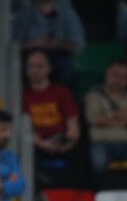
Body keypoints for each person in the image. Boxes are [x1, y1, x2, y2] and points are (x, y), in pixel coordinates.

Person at [14, 0, 85, 86]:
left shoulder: (66, 9)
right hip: (29, 60)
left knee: (68, 67)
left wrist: (55, 43)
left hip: (59, 60)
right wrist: (35, 43)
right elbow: (13, 46)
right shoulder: (24, 10)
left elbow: (78, 45)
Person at [22, 50, 82, 189]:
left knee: (80, 156)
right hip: (36, 143)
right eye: (31, 66)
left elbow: (73, 124)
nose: (35, 70)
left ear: (49, 68)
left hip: (61, 140)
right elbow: (25, 128)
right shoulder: (23, 95)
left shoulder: (62, 92)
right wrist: (42, 144)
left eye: (40, 66)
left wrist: (69, 142)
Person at [85, 61, 127, 177]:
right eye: (115, 75)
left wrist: (108, 114)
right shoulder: (94, 95)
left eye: (123, 76)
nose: (118, 79)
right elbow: (94, 118)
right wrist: (123, 118)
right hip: (102, 143)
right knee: (98, 164)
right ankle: (99, 193)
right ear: (106, 74)